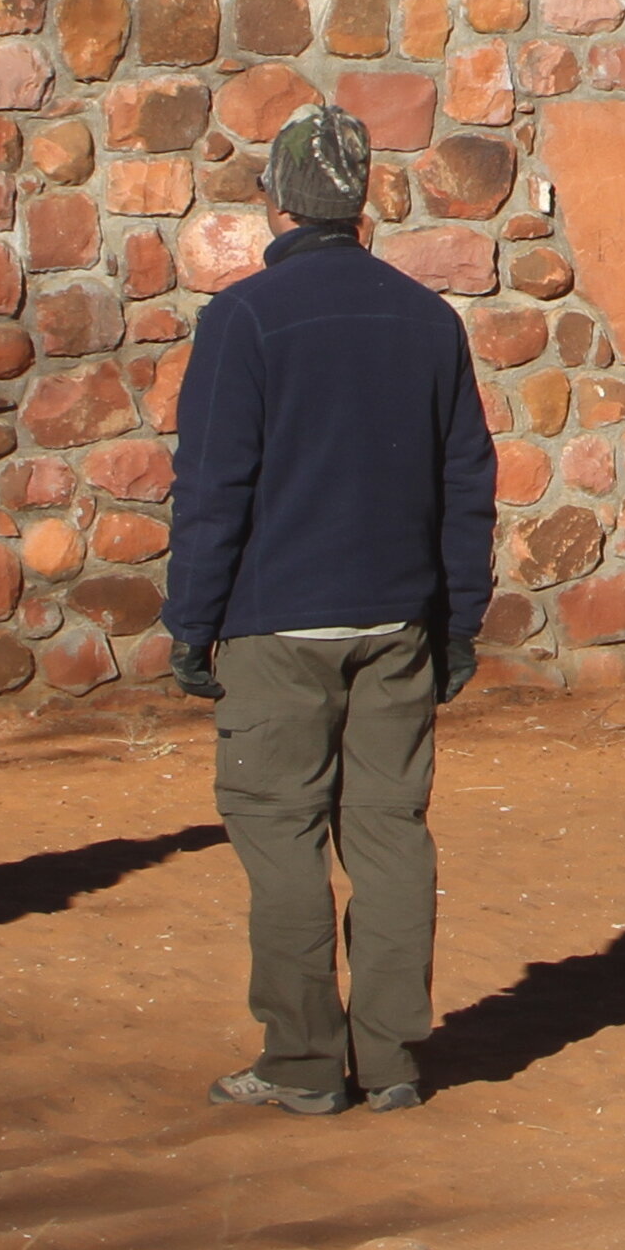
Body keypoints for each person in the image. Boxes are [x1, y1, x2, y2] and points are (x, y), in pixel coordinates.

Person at [167, 105, 495, 1117]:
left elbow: (214, 485)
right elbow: (466, 481)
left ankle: (306, 1064)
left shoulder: (244, 320)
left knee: (281, 836)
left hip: (276, 627)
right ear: (362, 206)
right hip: (396, 620)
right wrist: (458, 622)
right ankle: (392, 1058)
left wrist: (192, 624)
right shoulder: (428, 321)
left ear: (276, 204)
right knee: (391, 835)